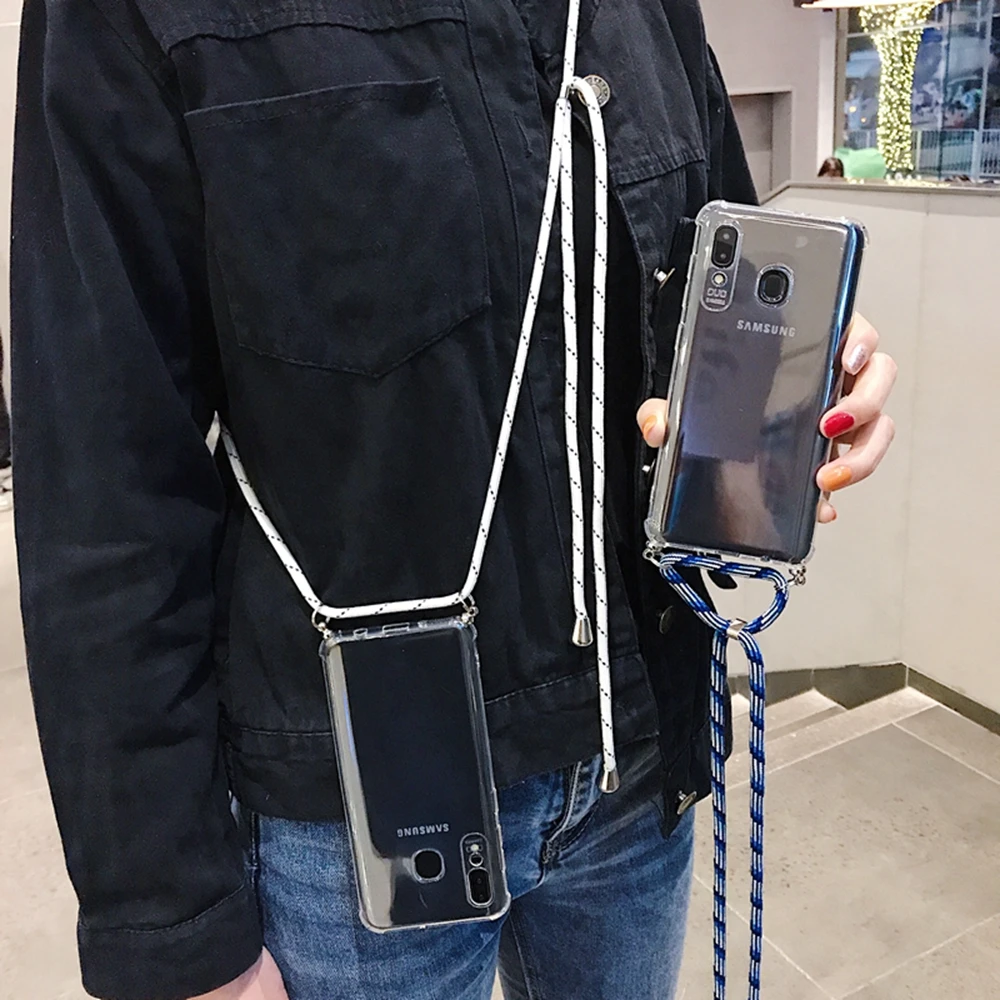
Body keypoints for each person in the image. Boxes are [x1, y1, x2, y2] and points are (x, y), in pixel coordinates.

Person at [11, 2, 898, 999]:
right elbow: (104, 467)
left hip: (635, 763)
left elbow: (714, 278)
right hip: (351, 820)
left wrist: (806, 380)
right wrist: (176, 929)